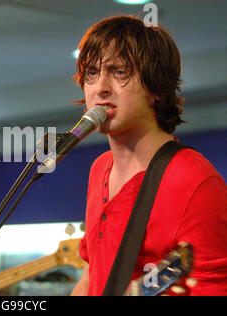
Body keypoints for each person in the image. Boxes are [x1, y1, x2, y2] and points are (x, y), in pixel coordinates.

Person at [70, 16, 227, 296]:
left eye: (118, 71)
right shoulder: (100, 169)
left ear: (156, 88)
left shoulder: (194, 180)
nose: (100, 87)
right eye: (92, 73)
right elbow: (92, 276)